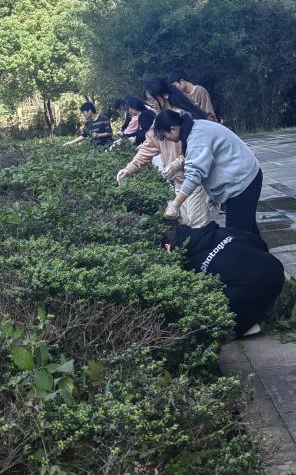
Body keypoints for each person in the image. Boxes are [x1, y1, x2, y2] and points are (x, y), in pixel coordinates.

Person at [153, 109, 266, 249]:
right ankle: (265, 262)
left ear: (173, 129)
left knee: (237, 235)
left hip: (243, 181)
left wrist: (175, 205)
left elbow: (194, 175)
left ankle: (253, 265)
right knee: (247, 229)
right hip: (244, 176)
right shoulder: (194, 128)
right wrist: (212, 195)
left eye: (165, 136)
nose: (167, 140)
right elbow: (208, 164)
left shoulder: (197, 138)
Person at [116, 82, 215, 227]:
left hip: (195, 182)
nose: (150, 104)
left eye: (152, 99)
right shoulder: (159, 120)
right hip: (179, 183)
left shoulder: (185, 117)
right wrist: (129, 168)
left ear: (165, 96)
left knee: (198, 228)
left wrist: (176, 164)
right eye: (148, 100)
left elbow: (197, 152)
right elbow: (148, 147)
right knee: (187, 226)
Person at [163, 221, 284, 337]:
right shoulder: (219, 231)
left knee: (205, 310)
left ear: (168, 247)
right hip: (276, 273)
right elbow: (258, 242)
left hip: (247, 295)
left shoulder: (186, 264)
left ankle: (244, 327)